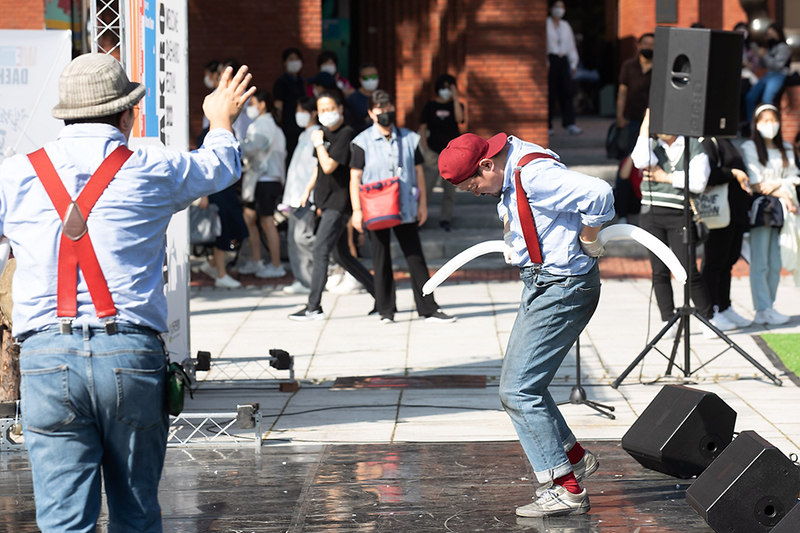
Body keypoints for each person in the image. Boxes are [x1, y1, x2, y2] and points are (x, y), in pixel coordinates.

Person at [2, 54, 253, 531]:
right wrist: (220, 121)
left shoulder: (13, 175)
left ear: (64, 116)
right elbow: (221, 166)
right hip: (130, 352)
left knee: (61, 521)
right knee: (136, 512)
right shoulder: (153, 165)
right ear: (127, 114)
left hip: (45, 356)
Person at [438, 132, 613, 517]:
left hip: (563, 286)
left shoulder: (533, 174)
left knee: (518, 391)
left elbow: (599, 193)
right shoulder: (512, 162)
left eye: (475, 186)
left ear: (487, 164)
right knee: (523, 385)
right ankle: (574, 458)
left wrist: (589, 236)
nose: (478, 193)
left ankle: (564, 488)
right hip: (545, 283)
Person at [350, 90, 456, 323]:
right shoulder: (361, 142)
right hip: (375, 208)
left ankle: (428, 308)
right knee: (380, 257)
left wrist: (423, 205)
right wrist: (356, 211)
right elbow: (354, 177)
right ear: (370, 112)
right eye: (379, 108)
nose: (385, 112)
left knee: (415, 256)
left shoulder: (409, 138)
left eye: (388, 107)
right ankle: (386, 309)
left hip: (406, 206)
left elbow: (419, 172)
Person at [289, 91, 375, 321]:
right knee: (342, 255)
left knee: (320, 250)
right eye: (322, 110)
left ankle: (313, 307)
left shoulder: (346, 134)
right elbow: (318, 168)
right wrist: (308, 191)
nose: (325, 114)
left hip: (339, 202)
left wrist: (318, 143)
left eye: (330, 109)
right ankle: (381, 294)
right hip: (325, 201)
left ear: (339, 109)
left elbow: (328, 165)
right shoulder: (324, 133)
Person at [630, 108, 715, 337]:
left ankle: (708, 318)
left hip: (679, 213)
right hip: (651, 213)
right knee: (659, 270)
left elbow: (697, 182)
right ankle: (668, 319)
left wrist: (664, 177)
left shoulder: (694, 146)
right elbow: (639, 160)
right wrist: (644, 127)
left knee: (688, 269)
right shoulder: (654, 147)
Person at [741, 104, 799, 325]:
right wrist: (784, 191)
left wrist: (777, 186)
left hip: (784, 212)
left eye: (773, 120)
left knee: (776, 261)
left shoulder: (785, 148)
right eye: (764, 121)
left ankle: (769, 306)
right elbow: (756, 184)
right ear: (756, 124)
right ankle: (761, 308)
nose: (770, 125)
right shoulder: (750, 147)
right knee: (761, 261)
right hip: (763, 210)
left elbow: (794, 176)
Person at [699, 137, 753, 329]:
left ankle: (724, 306)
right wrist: (732, 173)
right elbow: (705, 175)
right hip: (719, 211)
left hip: (735, 211)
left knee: (728, 261)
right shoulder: (708, 142)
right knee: (714, 262)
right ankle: (709, 312)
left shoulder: (728, 141)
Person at [239, 90, 287, 279]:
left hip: (264, 180)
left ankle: (276, 265)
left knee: (267, 222)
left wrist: (236, 143)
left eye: (252, 104)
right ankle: (257, 260)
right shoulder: (272, 125)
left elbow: (251, 148)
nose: (249, 108)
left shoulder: (263, 125)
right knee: (250, 218)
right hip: (265, 179)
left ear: (262, 105)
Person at [282, 96, 320, 295]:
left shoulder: (317, 135)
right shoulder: (303, 136)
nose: (299, 115)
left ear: (313, 112)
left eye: (302, 110)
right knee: (293, 239)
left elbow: (316, 167)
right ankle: (303, 279)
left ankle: (328, 265)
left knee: (302, 237)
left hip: (307, 196)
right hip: (294, 195)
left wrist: (310, 191)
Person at [419, 74, 465, 232]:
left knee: (449, 190)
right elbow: (423, 128)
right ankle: (420, 217)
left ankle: (446, 219)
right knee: (426, 187)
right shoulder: (430, 106)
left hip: (452, 154)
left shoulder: (456, 105)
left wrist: (456, 97)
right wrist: (424, 148)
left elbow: (460, 119)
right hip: (433, 152)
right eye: (443, 87)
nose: (446, 90)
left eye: (449, 87)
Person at [546, 0, 582, 136]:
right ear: (550, 8)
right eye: (557, 7)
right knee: (550, 93)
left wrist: (573, 63)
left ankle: (569, 123)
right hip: (550, 59)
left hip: (563, 60)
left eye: (562, 7)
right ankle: (547, 125)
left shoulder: (565, 25)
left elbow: (571, 45)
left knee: (567, 91)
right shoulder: (546, 24)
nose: (559, 10)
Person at [745, 24, 792, 125]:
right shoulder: (770, 48)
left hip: (779, 75)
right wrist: (759, 56)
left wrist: (765, 55)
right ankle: (752, 126)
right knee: (750, 97)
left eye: (772, 34)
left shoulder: (784, 47)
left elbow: (777, 65)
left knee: (767, 99)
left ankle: (770, 123)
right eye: (768, 35)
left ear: (778, 34)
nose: (769, 37)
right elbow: (763, 65)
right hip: (768, 75)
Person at [616, 33, 654, 154]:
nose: (648, 47)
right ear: (638, 46)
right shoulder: (629, 66)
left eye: (652, 45)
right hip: (631, 118)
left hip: (652, 120)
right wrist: (620, 116)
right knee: (627, 155)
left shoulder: (661, 67)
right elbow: (622, 92)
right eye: (645, 44)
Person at [273, 47, 306, 159]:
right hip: (288, 127)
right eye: (291, 59)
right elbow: (278, 105)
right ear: (284, 63)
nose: (294, 61)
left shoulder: (301, 81)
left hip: (301, 124)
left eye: (297, 59)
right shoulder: (281, 82)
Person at [347, 62, 380, 131]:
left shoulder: (382, 97)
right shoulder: (352, 100)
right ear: (360, 79)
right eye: (366, 77)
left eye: (374, 76)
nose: (371, 80)